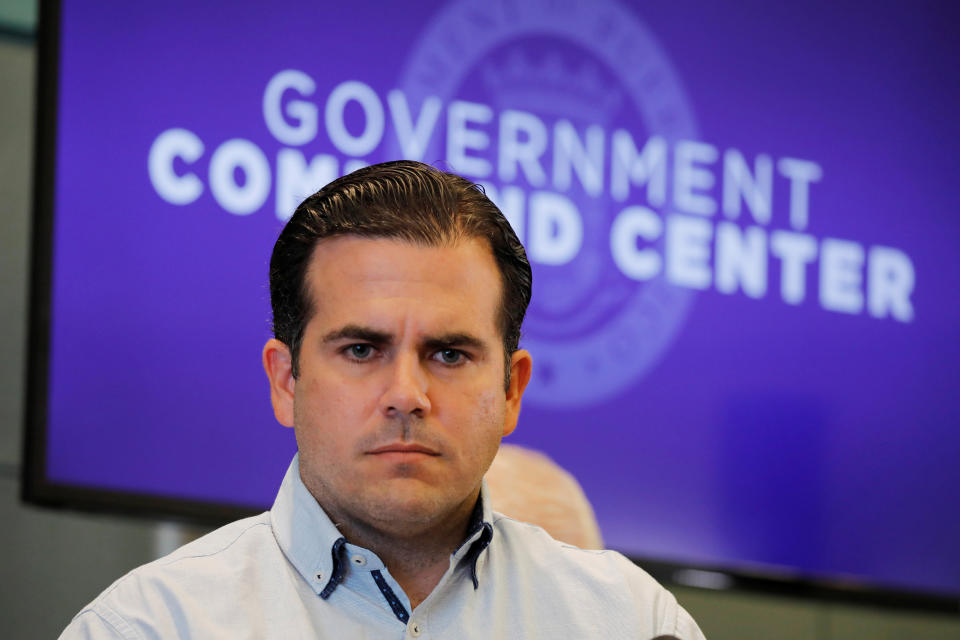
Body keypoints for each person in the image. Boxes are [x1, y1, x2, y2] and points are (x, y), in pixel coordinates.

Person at [60, 161, 706, 639]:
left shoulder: (630, 623)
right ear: (286, 380)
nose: (406, 394)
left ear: (511, 391)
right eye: (362, 350)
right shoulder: (150, 627)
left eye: (449, 354)